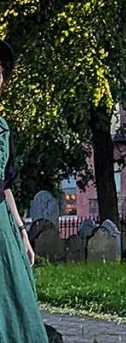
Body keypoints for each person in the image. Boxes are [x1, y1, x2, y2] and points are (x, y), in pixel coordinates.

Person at [0, 39, 49, 342]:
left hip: (2, 228)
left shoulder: (2, 128)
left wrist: (21, 231)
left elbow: (4, 185)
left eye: (0, 72)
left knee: (15, 299)